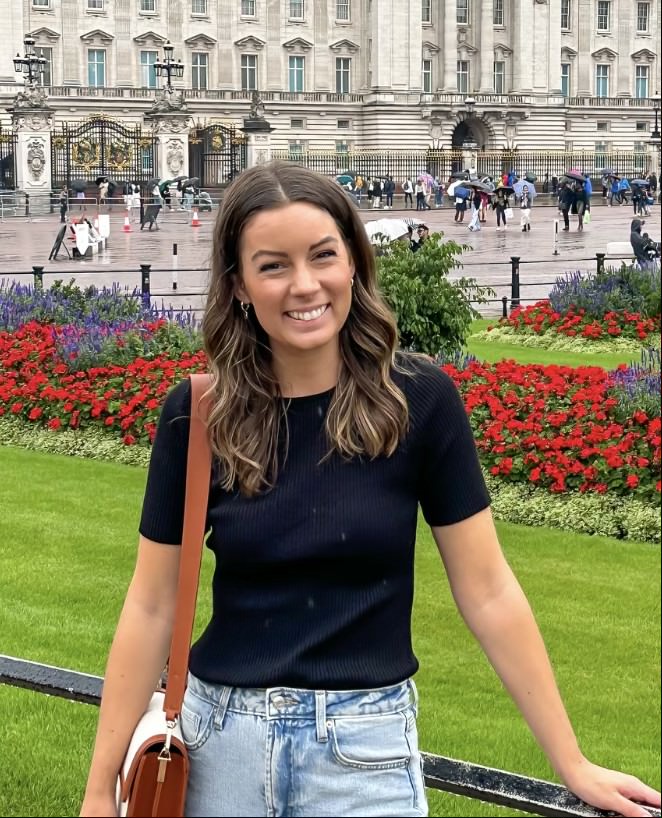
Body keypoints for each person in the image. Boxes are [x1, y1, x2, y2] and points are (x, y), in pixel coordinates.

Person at [80, 162, 661, 818]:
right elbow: (152, 605)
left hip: (364, 749)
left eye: (323, 256)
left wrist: (571, 760)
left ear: (354, 262)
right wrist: (102, 789)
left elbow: (489, 590)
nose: (305, 285)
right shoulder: (198, 414)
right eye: (272, 266)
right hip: (220, 747)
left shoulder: (418, 401)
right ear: (239, 286)